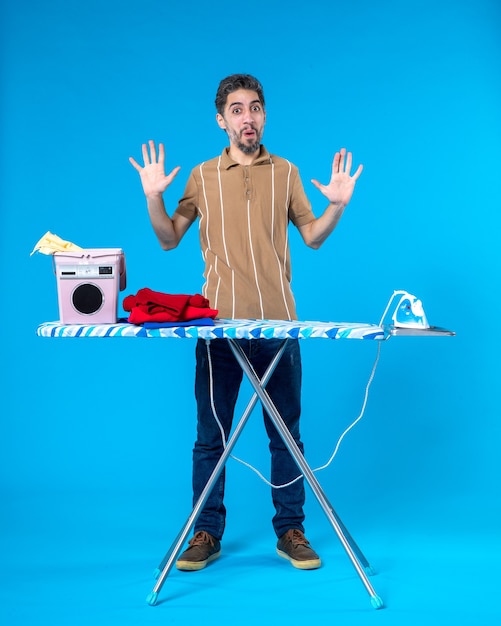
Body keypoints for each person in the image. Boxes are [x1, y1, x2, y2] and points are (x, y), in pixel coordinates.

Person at [130, 73, 362, 572]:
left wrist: (337, 206)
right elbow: (169, 237)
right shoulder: (201, 177)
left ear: (264, 114)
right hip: (219, 330)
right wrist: (153, 197)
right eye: (237, 109)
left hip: (280, 330)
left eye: (254, 107)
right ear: (221, 120)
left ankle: (291, 530)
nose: (247, 117)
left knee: (286, 435)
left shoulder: (287, 173)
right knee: (210, 435)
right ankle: (206, 533)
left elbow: (314, 237)